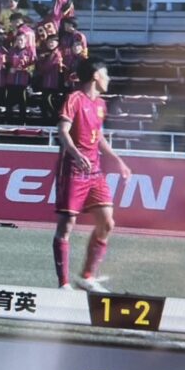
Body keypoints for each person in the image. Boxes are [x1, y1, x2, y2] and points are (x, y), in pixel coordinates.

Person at [53, 57, 132, 292]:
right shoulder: (74, 99)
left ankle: (87, 277)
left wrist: (118, 160)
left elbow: (99, 137)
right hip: (74, 169)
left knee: (107, 222)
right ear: (96, 76)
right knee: (67, 225)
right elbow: (62, 131)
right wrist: (77, 155)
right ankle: (63, 284)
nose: (109, 79)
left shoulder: (101, 104)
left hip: (95, 171)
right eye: (106, 74)